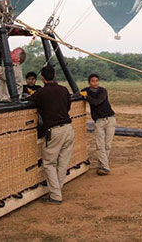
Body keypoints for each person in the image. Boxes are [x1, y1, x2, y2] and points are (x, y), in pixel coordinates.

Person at [29, 65, 74, 203]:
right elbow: (68, 106)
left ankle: (55, 195)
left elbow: (29, 102)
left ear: (42, 78)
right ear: (54, 75)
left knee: (49, 163)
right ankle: (57, 189)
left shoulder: (41, 93)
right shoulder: (64, 90)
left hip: (54, 131)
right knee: (63, 162)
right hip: (68, 129)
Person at [81, 74, 116, 175]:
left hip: (110, 119)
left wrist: (86, 97)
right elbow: (78, 94)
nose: (95, 83)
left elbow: (97, 102)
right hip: (99, 121)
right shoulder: (86, 90)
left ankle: (102, 164)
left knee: (107, 145)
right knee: (100, 145)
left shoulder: (102, 91)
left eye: (96, 81)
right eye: (92, 81)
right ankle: (105, 167)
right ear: (89, 82)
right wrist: (82, 95)